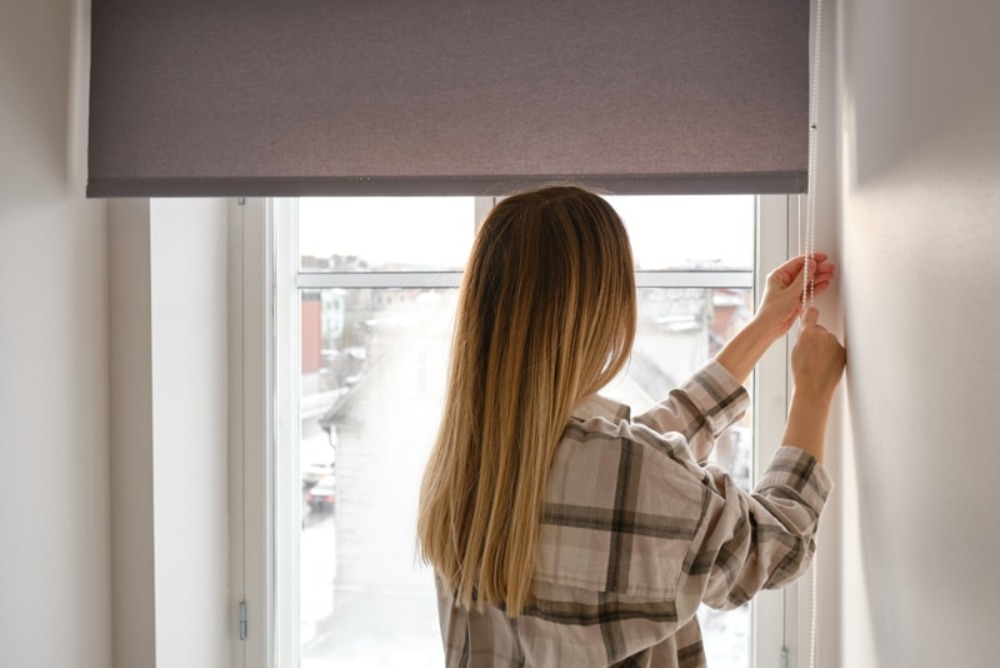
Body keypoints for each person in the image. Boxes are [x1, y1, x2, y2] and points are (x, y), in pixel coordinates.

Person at [417, 185, 846, 667]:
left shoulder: (464, 465)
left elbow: (640, 456)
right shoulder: (630, 471)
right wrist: (811, 395)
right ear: (600, 309)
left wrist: (765, 324)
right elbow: (779, 544)